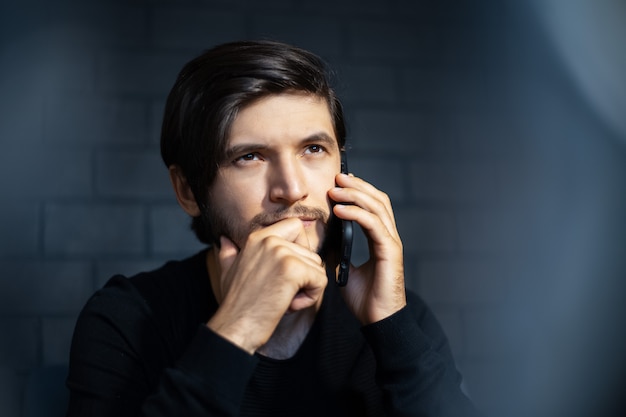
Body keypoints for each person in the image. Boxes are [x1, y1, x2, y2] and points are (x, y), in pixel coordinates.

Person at [65, 40, 478, 417]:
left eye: (313, 149)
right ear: (188, 190)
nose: (292, 189)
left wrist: (393, 329)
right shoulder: (126, 319)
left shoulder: (396, 317)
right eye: (250, 156)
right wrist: (239, 327)